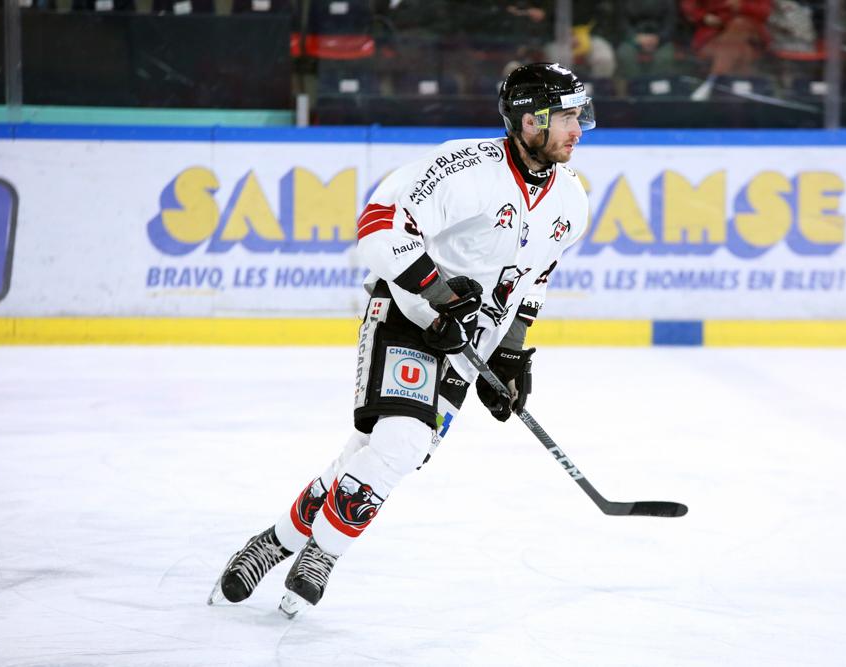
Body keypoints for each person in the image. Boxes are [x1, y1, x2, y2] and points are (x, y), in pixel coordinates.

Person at [207, 62, 595, 618]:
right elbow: (380, 225)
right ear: (529, 120)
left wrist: (511, 353)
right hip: (411, 319)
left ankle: (278, 539)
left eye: (581, 116)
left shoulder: (572, 199)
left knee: (377, 456)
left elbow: (534, 279)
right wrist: (437, 291)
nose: (578, 130)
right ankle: (323, 552)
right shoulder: (467, 168)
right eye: (565, 117)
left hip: (471, 349)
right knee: (402, 443)